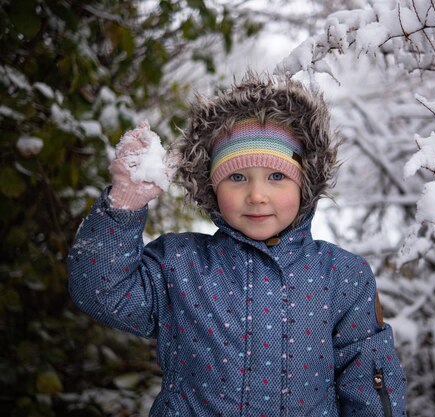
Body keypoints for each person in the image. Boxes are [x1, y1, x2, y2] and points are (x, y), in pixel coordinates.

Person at [67, 73, 407, 417]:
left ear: (306, 184)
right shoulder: (180, 264)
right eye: (237, 177)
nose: (257, 195)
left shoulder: (341, 276)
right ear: (211, 186)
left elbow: (369, 384)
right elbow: (102, 293)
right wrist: (124, 206)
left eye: (277, 176)